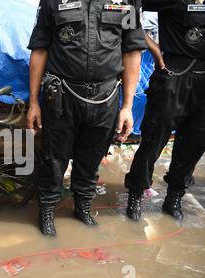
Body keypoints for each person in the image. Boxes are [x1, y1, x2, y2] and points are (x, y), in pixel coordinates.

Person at [27, 0, 147, 236]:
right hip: (62, 96)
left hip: (106, 96)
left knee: (91, 157)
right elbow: (40, 50)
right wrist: (33, 102)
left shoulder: (127, 2)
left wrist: (128, 106)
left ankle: (82, 207)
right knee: (53, 159)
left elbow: (132, 51)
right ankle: (47, 211)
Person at [125, 0, 205, 221]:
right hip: (173, 76)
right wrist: (149, 43)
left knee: (195, 144)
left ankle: (174, 196)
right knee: (153, 140)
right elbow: (129, 9)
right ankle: (136, 192)